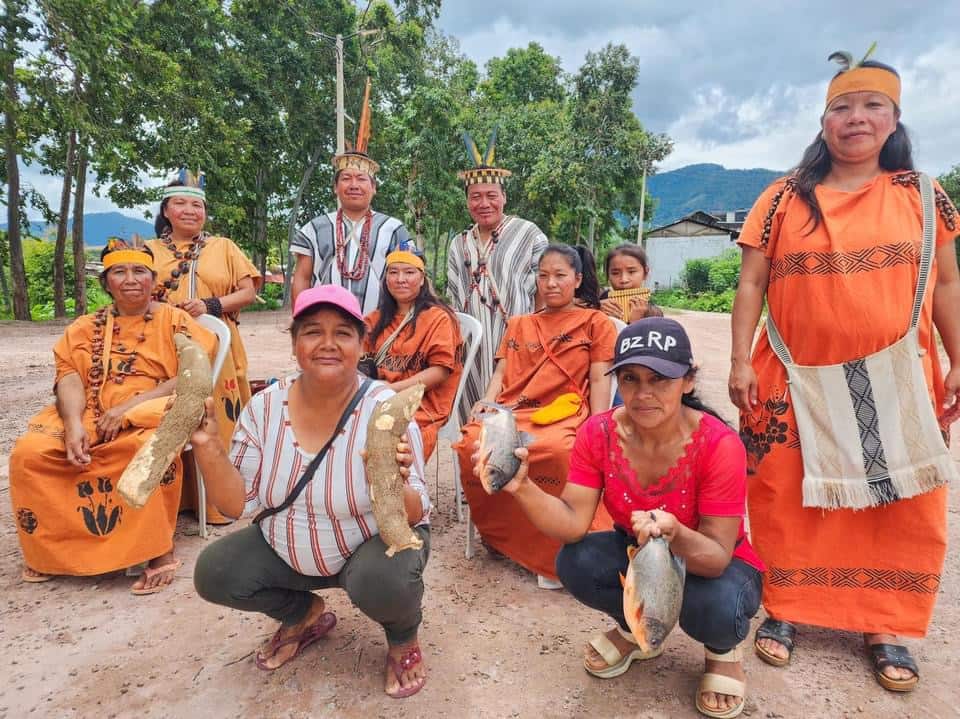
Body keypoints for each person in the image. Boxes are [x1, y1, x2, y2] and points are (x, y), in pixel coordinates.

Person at [728, 50, 960, 693]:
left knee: (900, 500)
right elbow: (750, 282)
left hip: (898, 380)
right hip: (792, 377)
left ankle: (884, 624)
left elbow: (945, 283)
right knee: (786, 492)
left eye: (871, 106)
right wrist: (738, 358)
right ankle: (787, 607)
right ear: (823, 120)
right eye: (842, 107)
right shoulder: (779, 200)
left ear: (894, 119)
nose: (855, 118)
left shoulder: (921, 198)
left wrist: (958, 356)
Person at [481, 318, 763, 719]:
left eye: (660, 379)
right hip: (638, 552)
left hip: (712, 563)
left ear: (687, 381)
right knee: (575, 562)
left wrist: (676, 533)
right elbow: (573, 523)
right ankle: (636, 628)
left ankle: (722, 652)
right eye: (630, 379)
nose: (643, 394)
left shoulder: (720, 444)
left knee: (716, 605)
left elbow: (717, 555)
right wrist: (521, 486)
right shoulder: (598, 432)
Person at [192, 284, 432, 699]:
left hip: (369, 544)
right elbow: (234, 505)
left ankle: (402, 636)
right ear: (294, 343)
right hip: (288, 543)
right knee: (215, 572)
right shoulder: (264, 408)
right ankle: (304, 615)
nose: (327, 344)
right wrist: (209, 448)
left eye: (342, 332)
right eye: (312, 332)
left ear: (361, 345)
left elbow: (413, 515)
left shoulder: (385, 409)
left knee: (384, 580)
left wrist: (389, 483)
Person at [9, 240, 215, 593]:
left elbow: (192, 375)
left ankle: (158, 550)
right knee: (29, 455)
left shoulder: (175, 319)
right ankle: (52, 553)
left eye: (140, 272)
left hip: (152, 407)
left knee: (147, 448)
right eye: (119, 272)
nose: (131, 279)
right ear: (106, 283)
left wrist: (128, 409)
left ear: (153, 280)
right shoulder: (84, 327)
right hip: (90, 412)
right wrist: (74, 425)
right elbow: (68, 377)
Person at [454, 244, 616, 588]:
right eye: (543, 276)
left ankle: (555, 552)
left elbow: (602, 376)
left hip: (564, 414)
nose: (551, 283)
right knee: (471, 443)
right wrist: (486, 401)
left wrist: (598, 424)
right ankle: (499, 537)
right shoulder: (519, 323)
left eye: (560, 276)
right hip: (512, 413)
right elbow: (501, 373)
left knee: (557, 451)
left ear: (577, 279)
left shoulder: (596, 323)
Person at [147, 169, 261, 525]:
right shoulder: (147, 252)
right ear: (166, 210)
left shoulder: (223, 247)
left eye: (196, 205)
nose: (189, 211)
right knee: (168, 409)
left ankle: (219, 501)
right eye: (180, 203)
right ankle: (175, 499)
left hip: (218, 347)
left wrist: (210, 306)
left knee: (217, 415)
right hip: (164, 345)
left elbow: (248, 292)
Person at [447, 129, 549, 424]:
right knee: (473, 420)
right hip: (473, 351)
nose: (484, 203)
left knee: (515, 420)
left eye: (492, 195)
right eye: (476, 197)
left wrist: (539, 336)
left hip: (519, 342)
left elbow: (543, 290)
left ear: (504, 197)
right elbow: (455, 302)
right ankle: (472, 468)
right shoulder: (458, 243)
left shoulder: (528, 233)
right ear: (467, 201)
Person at [291, 79, 412, 313]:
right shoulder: (313, 229)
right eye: (346, 179)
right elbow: (302, 279)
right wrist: (301, 319)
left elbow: (409, 277)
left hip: (381, 326)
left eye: (361, 179)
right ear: (335, 187)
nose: (354, 185)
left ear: (374, 187)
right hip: (327, 326)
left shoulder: (395, 229)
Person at [363, 250, 463, 461]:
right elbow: (357, 362)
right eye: (393, 272)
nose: (400, 279)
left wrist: (389, 390)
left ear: (422, 279)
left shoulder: (438, 318)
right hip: (375, 400)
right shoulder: (374, 319)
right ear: (385, 279)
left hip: (420, 404)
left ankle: (395, 492)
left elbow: (440, 371)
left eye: (409, 272)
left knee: (382, 433)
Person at [599, 243, 664, 322]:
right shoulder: (599, 303)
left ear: (645, 273)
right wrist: (596, 312)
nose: (624, 280)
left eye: (631, 272)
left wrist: (636, 323)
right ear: (608, 275)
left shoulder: (655, 314)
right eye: (615, 273)